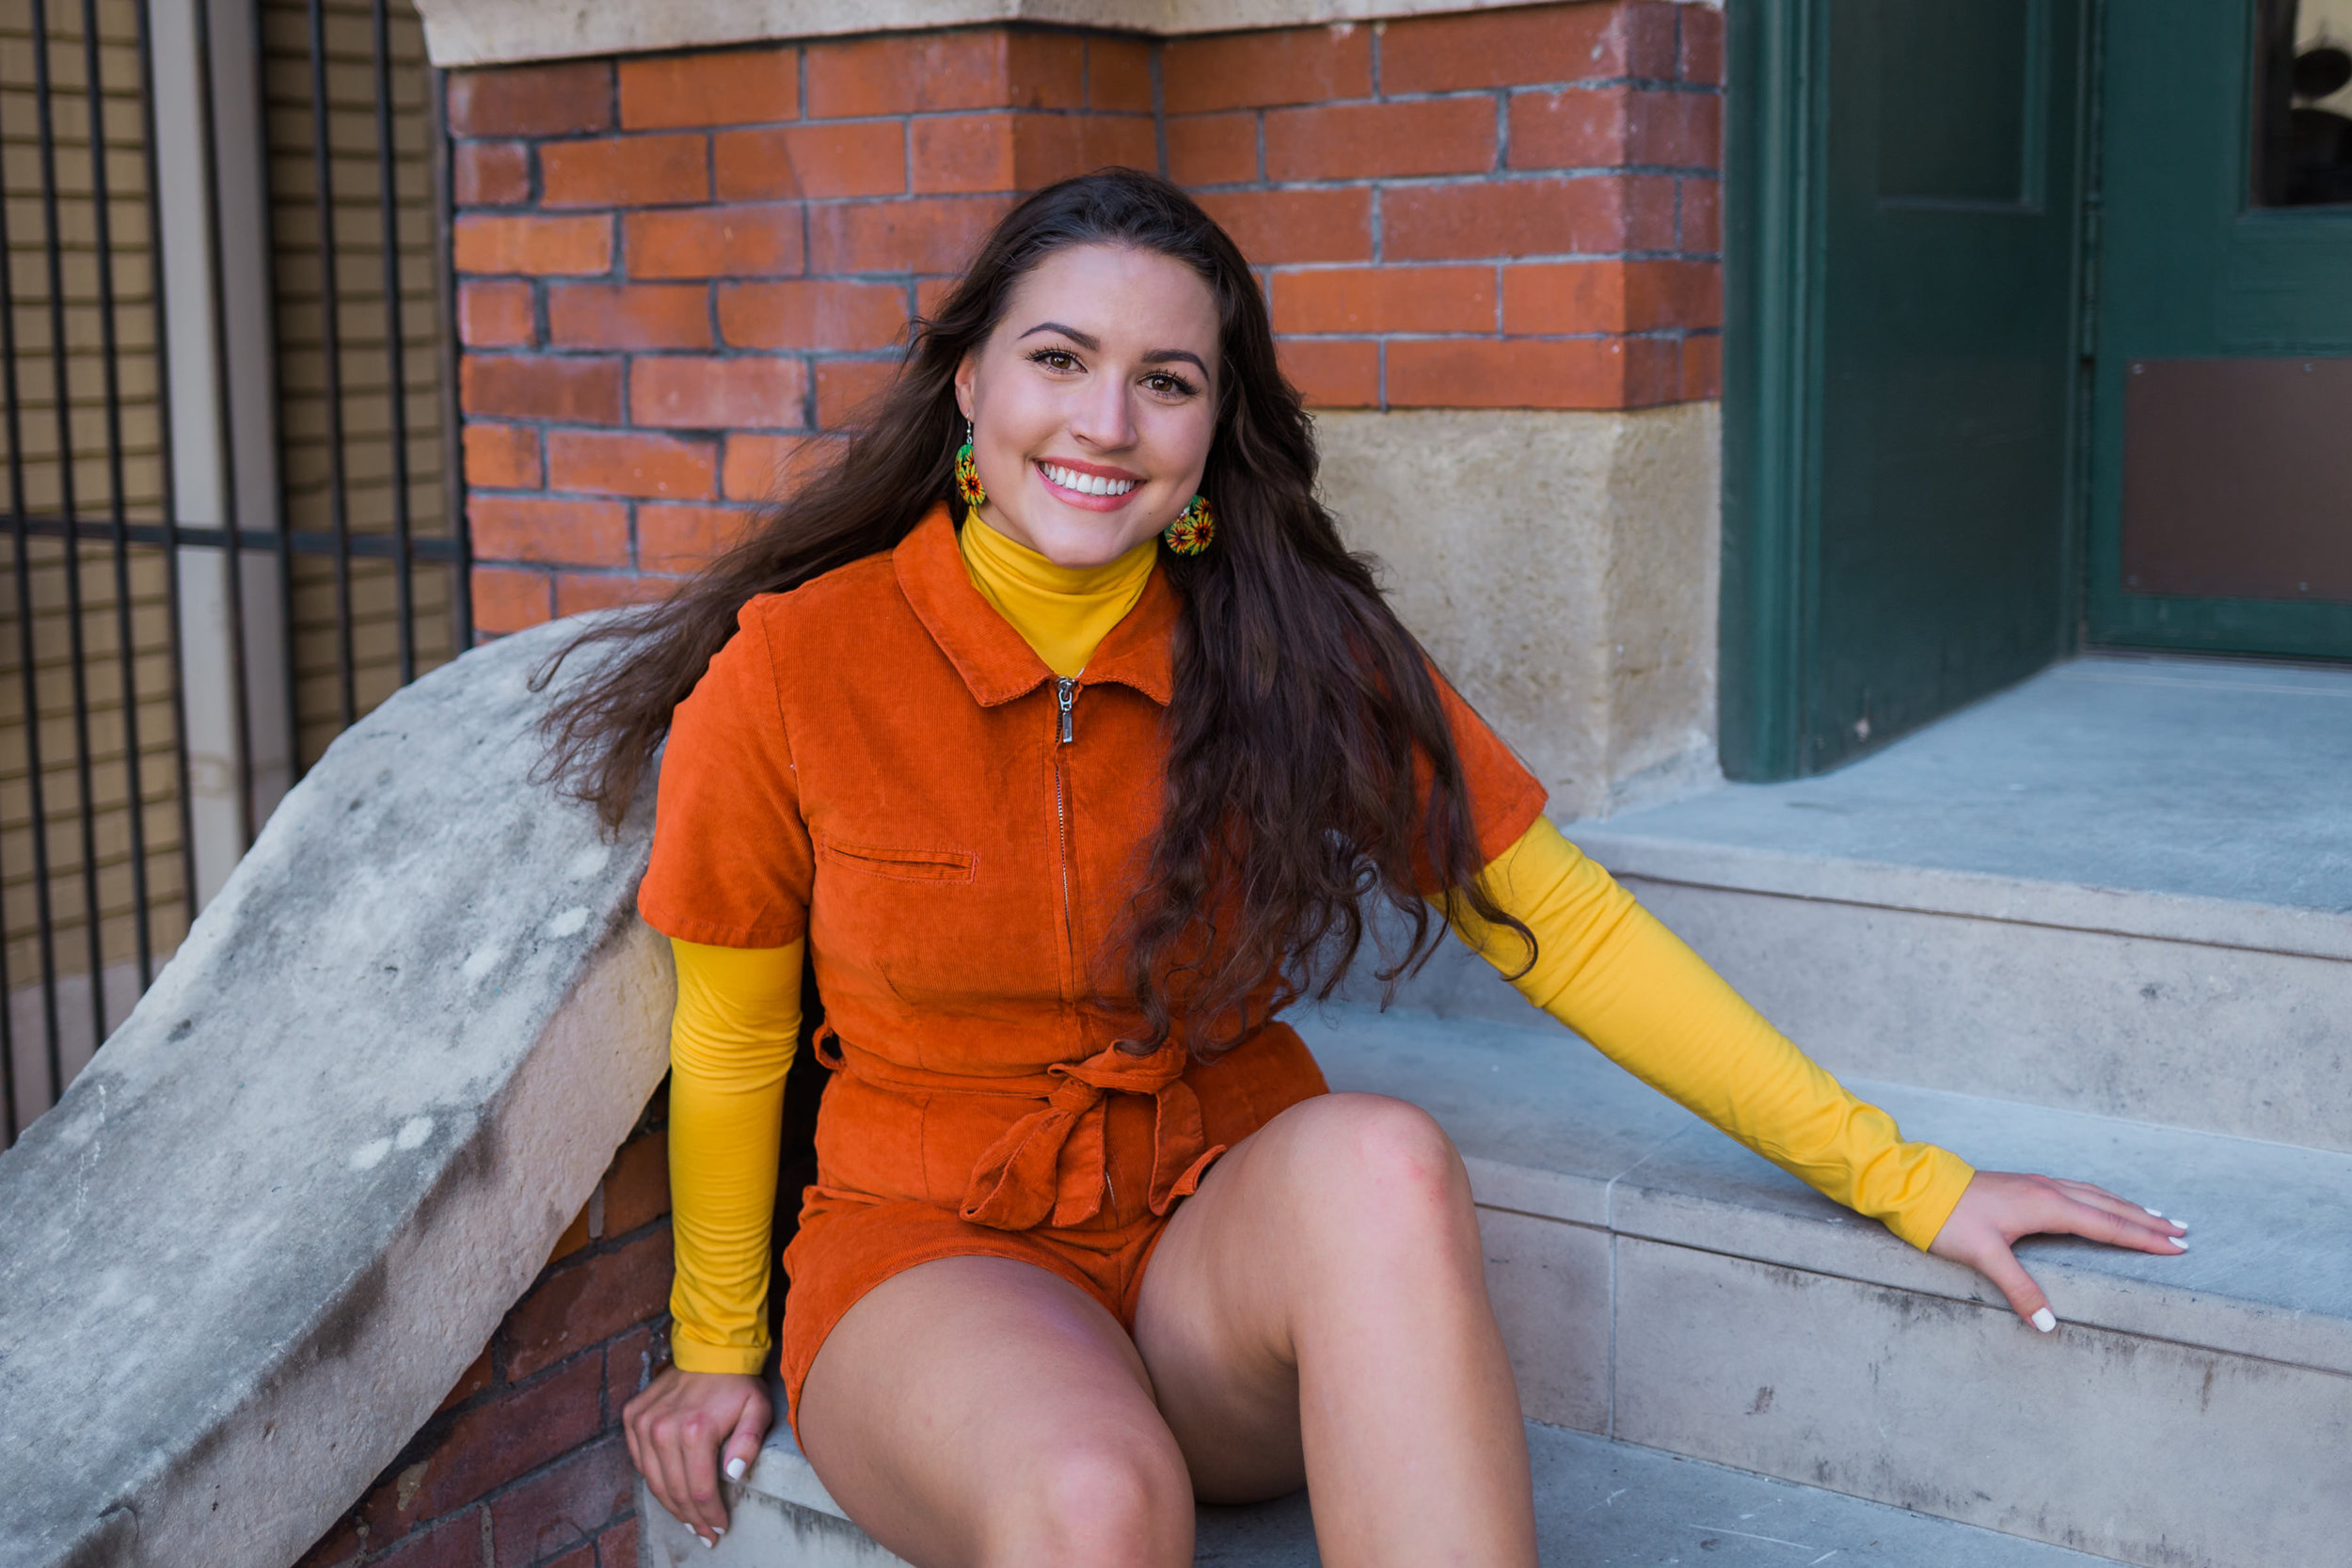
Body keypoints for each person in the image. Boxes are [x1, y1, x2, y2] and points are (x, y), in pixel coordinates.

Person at [538, 168, 2185, 1568]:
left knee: (1384, 1156)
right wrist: (712, 1347)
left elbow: (1570, 931)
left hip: (1213, 1237)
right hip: (930, 1253)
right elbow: (738, 1031)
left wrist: (1910, 1181)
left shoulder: (1289, 647)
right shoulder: (798, 666)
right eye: (1060, 359)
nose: (1106, 425)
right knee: (1098, 1499)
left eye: (1168, 381)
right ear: (968, 382)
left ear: (1213, 423)